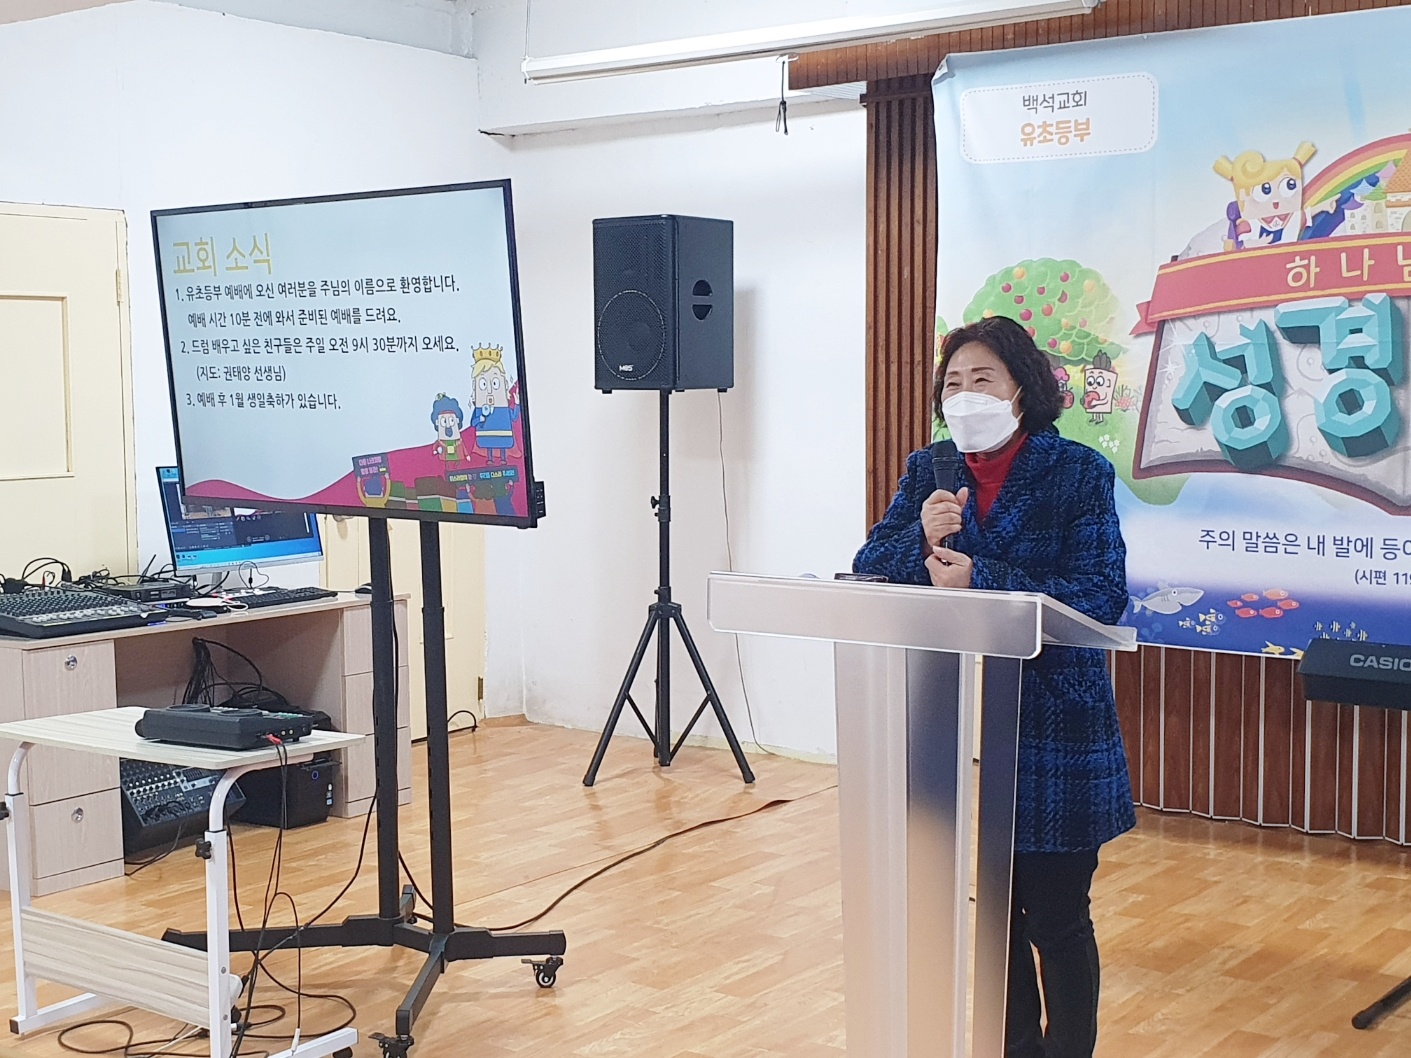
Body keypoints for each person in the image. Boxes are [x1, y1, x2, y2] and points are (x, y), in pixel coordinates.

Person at [852, 315, 1134, 1058]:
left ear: (1021, 389)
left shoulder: (1077, 472)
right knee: (990, 917)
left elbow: (1100, 594)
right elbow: (870, 563)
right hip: (952, 727)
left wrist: (986, 578)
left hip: (1051, 728)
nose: (964, 394)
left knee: (1055, 917)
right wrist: (919, 534)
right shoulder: (930, 469)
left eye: (982, 378)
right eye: (952, 383)